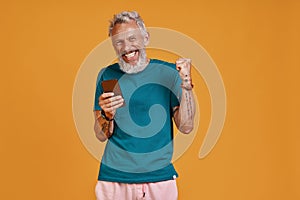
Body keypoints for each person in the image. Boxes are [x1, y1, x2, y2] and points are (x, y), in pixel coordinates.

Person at [93, 11, 195, 200]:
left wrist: (187, 86)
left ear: (145, 38)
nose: (126, 47)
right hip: (114, 179)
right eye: (118, 42)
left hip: (158, 179)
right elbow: (100, 135)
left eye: (132, 38)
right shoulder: (107, 76)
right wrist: (107, 115)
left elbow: (187, 126)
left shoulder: (169, 73)